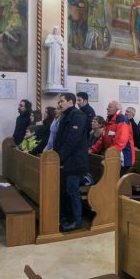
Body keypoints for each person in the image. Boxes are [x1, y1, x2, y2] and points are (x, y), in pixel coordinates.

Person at [53, 93, 88, 232]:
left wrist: (58, 158)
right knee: (65, 191)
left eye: (62, 101)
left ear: (70, 102)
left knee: (72, 191)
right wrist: (55, 156)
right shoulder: (65, 115)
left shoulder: (78, 116)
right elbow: (59, 139)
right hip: (65, 161)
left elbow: (71, 142)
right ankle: (67, 217)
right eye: (59, 101)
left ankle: (77, 220)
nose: (59, 104)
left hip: (75, 162)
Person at [89, 100, 135, 173]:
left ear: (117, 109)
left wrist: (109, 154)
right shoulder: (109, 120)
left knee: (116, 179)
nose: (107, 108)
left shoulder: (122, 120)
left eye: (110, 107)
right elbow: (102, 138)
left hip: (123, 157)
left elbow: (120, 142)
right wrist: (93, 149)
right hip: (111, 156)